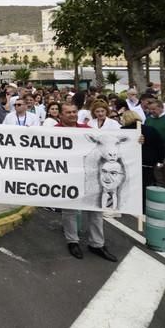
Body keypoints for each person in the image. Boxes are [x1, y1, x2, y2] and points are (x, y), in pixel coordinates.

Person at [56, 103, 116, 262]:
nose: (72, 114)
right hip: (67, 178)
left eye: (74, 111)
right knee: (69, 212)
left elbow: (107, 144)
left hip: (89, 177)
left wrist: (137, 140)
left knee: (95, 211)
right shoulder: (53, 131)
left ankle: (97, 244)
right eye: (68, 112)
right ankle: (72, 241)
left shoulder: (87, 129)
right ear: (61, 115)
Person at [120, 110, 165, 210]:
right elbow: (160, 146)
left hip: (131, 164)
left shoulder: (123, 130)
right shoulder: (151, 129)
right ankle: (144, 208)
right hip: (148, 164)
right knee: (146, 186)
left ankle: (132, 207)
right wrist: (159, 160)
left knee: (131, 188)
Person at [146, 99, 165, 187]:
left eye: (153, 109)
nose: (151, 111)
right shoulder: (148, 120)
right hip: (154, 154)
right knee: (158, 177)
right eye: (149, 109)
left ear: (161, 108)